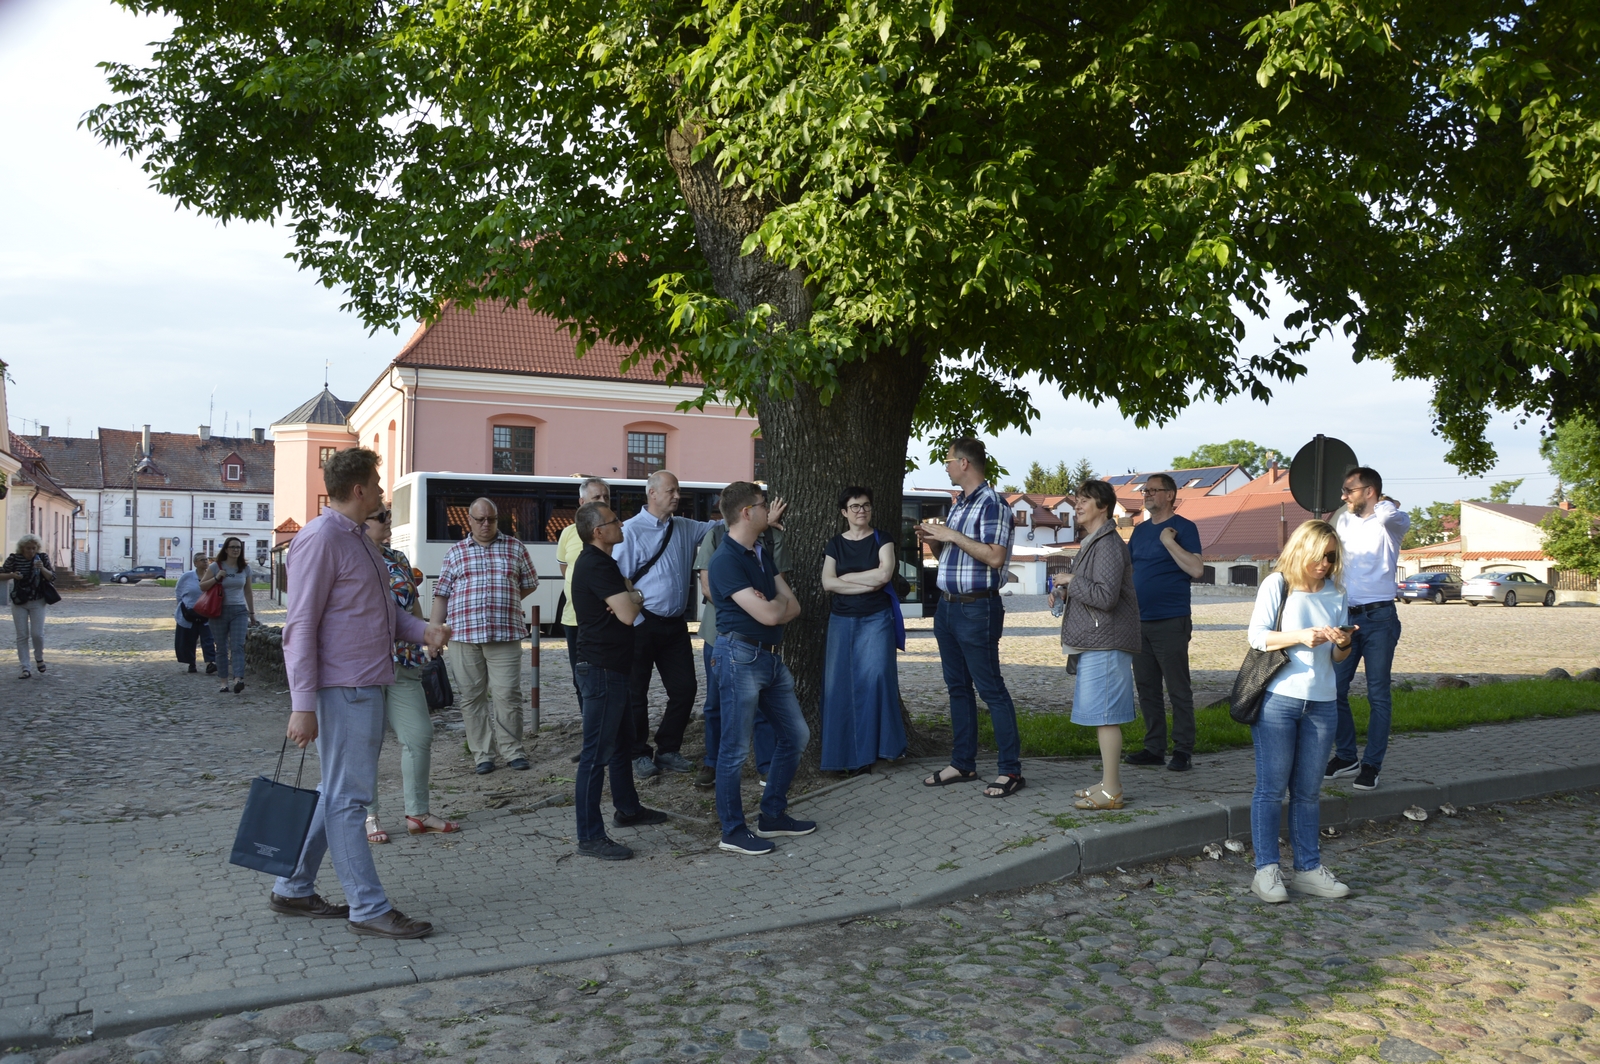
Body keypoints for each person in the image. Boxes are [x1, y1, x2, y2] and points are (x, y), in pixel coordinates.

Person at [276, 446, 450, 939]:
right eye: (376, 484)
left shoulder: (359, 540)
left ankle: (292, 887)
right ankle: (367, 907)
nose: (380, 492)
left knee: (335, 791)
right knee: (349, 798)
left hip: (366, 680)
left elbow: (383, 615)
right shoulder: (320, 539)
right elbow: (299, 627)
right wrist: (302, 705)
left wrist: (424, 631)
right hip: (344, 687)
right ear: (358, 489)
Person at [615, 471, 756, 778]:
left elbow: (722, 525)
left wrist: (755, 516)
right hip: (642, 623)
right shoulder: (631, 531)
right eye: (671, 491)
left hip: (674, 625)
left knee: (685, 689)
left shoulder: (684, 526)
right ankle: (638, 753)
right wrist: (636, 618)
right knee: (636, 692)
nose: (677, 496)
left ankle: (668, 749)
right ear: (652, 493)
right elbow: (618, 578)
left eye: (678, 490)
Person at [1246, 520, 1356, 903]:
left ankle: (1308, 869)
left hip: (1322, 702)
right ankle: (1266, 870)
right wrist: (1300, 636)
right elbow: (1257, 636)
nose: (1325, 564)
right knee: (1271, 789)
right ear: (1302, 550)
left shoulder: (1336, 592)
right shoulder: (1277, 584)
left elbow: (1338, 658)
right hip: (1278, 699)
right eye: (1319, 556)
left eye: (1332, 557)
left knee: (1308, 793)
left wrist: (1342, 643)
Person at [707, 480, 815, 855]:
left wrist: (773, 604)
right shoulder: (726, 559)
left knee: (796, 735)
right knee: (734, 750)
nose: (768, 509)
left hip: (767, 658)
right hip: (739, 657)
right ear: (746, 512)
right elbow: (772, 613)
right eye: (763, 504)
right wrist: (773, 605)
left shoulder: (758, 552)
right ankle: (733, 831)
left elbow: (792, 606)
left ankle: (772, 815)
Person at [915, 438, 1023, 798]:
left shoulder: (993, 504)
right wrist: (935, 540)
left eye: (948, 461)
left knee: (991, 689)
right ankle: (963, 763)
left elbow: (994, 557)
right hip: (947, 607)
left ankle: (1010, 770)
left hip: (977, 608)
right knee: (957, 688)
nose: (945, 467)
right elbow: (954, 555)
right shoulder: (960, 503)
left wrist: (951, 534)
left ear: (965, 463)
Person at [569, 500, 670, 860]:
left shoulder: (605, 563)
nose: (621, 525)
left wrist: (629, 595)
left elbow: (626, 598)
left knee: (623, 743)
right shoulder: (595, 564)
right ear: (599, 532)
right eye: (614, 521)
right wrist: (633, 597)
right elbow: (628, 613)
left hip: (613, 667)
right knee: (596, 755)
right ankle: (589, 836)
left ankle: (628, 809)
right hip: (601, 669)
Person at [361, 504, 459, 845]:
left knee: (419, 735)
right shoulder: (349, 557)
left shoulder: (397, 557)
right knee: (366, 743)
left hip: (403, 661)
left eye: (388, 514)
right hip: (364, 666)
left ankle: (418, 814)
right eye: (381, 516)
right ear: (361, 520)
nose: (389, 521)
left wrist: (426, 636)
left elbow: (413, 605)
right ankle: (368, 815)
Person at [431, 497, 539, 775]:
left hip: (505, 633)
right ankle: (483, 755)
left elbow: (528, 584)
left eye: (491, 519)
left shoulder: (515, 547)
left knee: (508, 694)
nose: (486, 524)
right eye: (480, 519)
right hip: (463, 636)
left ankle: (513, 751)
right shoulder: (455, 553)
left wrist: (507, 600)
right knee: (472, 698)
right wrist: (434, 631)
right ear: (469, 520)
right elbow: (441, 595)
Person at [1052, 479, 1141, 810]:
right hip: (1098, 640)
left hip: (1107, 642)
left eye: (1084, 500)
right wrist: (1065, 592)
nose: (1076, 505)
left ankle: (1112, 792)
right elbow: (1094, 590)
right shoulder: (1094, 542)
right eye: (1076, 500)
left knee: (1106, 716)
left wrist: (1071, 580)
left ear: (1103, 507)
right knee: (1103, 716)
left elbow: (1105, 597)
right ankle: (1107, 782)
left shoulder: (1108, 544)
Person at [1327, 467, 1410, 791]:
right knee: (1334, 689)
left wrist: (1384, 500)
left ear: (1370, 491)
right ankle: (1346, 757)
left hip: (1379, 619)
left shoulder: (1392, 522)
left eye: (1350, 490)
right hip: (1347, 618)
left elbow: (1388, 513)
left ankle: (1372, 765)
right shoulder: (1345, 521)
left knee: (1378, 694)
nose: (1343, 495)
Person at [692, 516, 786, 790]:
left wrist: (762, 607)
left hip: (759, 638)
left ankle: (766, 766)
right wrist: (750, 605)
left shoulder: (773, 539)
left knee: (762, 704)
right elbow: (708, 586)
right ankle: (713, 761)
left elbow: (781, 590)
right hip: (720, 634)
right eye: (761, 505)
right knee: (715, 703)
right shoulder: (716, 536)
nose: (766, 510)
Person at [819, 486, 907, 773]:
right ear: (844, 512)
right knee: (839, 685)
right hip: (841, 620)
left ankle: (879, 749)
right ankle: (841, 756)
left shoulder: (883, 538)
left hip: (877, 619)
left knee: (878, 678)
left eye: (866, 505)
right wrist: (866, 584)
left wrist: (846, 578)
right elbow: (828, 583)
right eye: (855, 506)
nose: (862, 511)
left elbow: (885, 574)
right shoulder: (835, 543)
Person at [1125, 473, 1204, 772]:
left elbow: (1196, 569)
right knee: (1147, 688)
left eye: (1153, 490)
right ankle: (1154, 748)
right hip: (1139, 621)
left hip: (1171, 620)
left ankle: (1183, 750)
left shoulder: (1184, 528)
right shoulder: (1139, 531)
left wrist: (1169, 542)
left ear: (1170, 495)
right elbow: (1128, 571)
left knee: (1178, 688)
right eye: (1145, 490)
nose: (1146, 494)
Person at [558, 478, 611, 705]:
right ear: (582, 502)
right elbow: (565, 569)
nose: (603, 501)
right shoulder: (568, 533)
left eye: (606, 497)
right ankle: (588, 719)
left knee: (610, 676)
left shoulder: (617, 532)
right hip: (574, 620)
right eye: (596, 497)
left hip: (607, 619)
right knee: (581, 677)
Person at [200, 536, 256, 694]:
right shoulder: (215, 566)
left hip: (239, 611)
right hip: (218, 611)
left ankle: (238, 679)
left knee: (238, 646)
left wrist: (252, 613)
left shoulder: (245, 568)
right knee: (221, 647)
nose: (236, 550)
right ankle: (223, 682)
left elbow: (248, 591)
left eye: (238, 547)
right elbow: (202, 586)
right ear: (226, 549)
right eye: (233, 547)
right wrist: (217, 578)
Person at [2, 534, 56, 679]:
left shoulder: (42, 558)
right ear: (22, 548)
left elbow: (52, 577)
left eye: (33, 548)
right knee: (22, 635)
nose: (31, 551)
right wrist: (12, 575)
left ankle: (39, 657)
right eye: (28, 548)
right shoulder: (14, 558)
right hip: (19, 601)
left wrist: (42, 568)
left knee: (37, 634)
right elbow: (1, 574)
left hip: (38, 600)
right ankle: (25, 667)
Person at [174, 551, 218, 674]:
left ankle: (210, 663)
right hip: (189, 612)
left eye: (206, 559)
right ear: (195, 563)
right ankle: (191, 663)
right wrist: (183, 604)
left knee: (208, 638)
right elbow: (178, 592)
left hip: (206, 612)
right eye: (202, 560)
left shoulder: (212, 576)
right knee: (189, 639)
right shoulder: (187, 576)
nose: (205, 562)